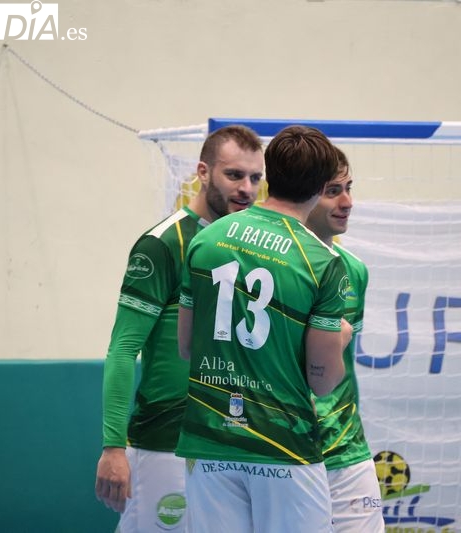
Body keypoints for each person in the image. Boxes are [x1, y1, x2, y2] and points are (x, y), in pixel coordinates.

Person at [176, 125, 353, 533]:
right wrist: (340, 337)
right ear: (320, 186)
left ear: (270, 174)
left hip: (210, 440)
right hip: (283, 446)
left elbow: (186, 347)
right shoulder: (322, 261)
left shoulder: (206, 239)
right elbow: (322, 381)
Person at [95, 125, 264, 532]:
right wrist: (113, 447)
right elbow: (123, 349)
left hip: (229, 443)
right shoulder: (162, 244)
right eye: (234, 175)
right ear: (203, 172)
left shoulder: (252, 248)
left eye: (255, 177)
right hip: (164, 444)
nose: (246, 188)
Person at [306, 148, 385, 532]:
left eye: (349, 188)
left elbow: (339, 369)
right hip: (288, 452)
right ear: (305, 196)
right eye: (333, 191)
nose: (347, 202)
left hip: (347, 449)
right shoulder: (274, 267)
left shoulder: (355, 271)